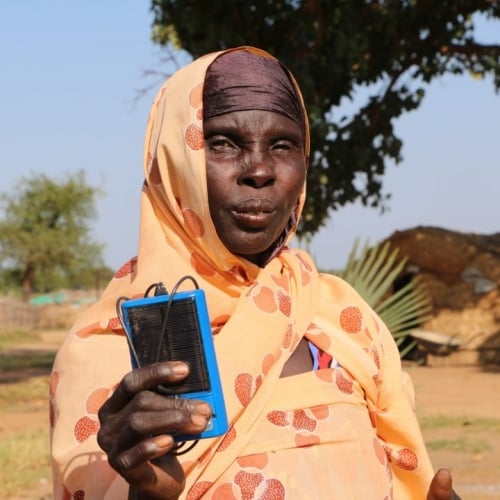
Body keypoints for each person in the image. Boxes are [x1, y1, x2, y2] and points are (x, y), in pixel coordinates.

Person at [50, 46, 460, 499]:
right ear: (174, 160)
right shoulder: (107, 348)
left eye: (283, 145)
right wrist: (147, 495)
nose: (260, 170)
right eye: (223, 143)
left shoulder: (341, 323)